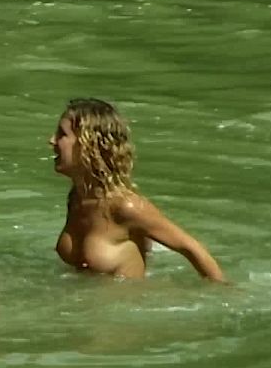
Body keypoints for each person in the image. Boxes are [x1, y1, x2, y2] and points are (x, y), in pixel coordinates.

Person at [49, 97, 225, 282]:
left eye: (62, 134)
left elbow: (191, 248)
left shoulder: (126, 207)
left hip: (127, 299)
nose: (52, 141)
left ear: (89, 144)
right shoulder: (77, 197)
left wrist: (222, 292)